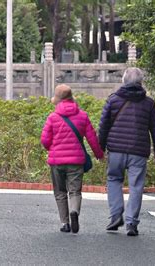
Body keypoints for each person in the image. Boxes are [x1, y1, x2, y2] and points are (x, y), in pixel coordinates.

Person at [98, 67, 155, 236]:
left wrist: (100, 148)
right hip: (138, 151)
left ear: (123, 81)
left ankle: (115, 216)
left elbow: (103, 126)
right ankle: (131, 223)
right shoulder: (149, 103)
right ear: (141, 82)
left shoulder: (113, 100)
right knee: (136, 186)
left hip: (116, 150)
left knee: (113, 179)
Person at [41, 84, 104, 234]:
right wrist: (99, 154)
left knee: (60, 192)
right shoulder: (83, 116)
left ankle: (65, 223)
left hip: (57, 161)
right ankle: (74, 211)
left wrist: (52, 149)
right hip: (76, 161)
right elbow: (92, 138)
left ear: (57, 100)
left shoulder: (53, 117)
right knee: (75, 191)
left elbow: (44, 140)